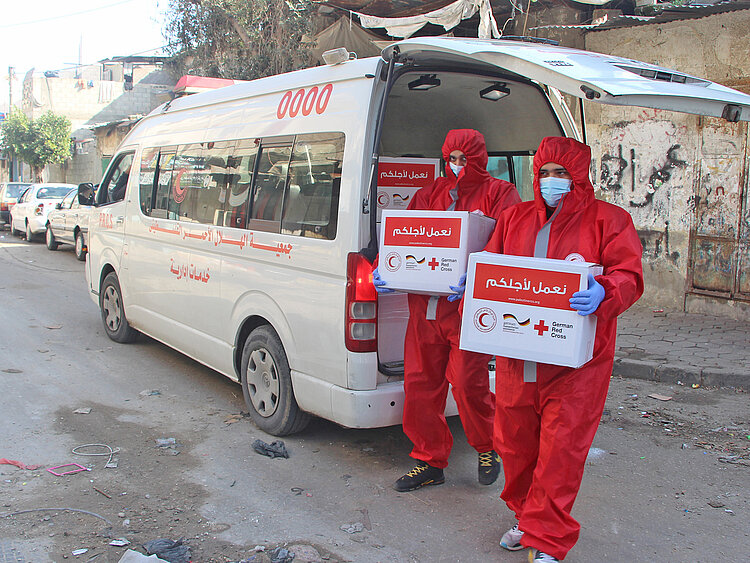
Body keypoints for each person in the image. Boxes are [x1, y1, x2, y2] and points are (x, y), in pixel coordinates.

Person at [484, 137, 644, 562]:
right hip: (519, 356)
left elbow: (628, 274)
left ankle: (547, 540)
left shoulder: (609, 221)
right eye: (545, 173)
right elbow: (492, 266)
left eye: (562, 173)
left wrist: (606, 291)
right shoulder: (515, 217)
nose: (552, 181)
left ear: (580, 175)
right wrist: (469, 286)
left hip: (578, 365)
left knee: (561, 453)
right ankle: (526, 517)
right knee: (514, 445)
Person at [374, 129, 521, 492]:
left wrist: (481, 274)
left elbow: (513, 245)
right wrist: (384, 267)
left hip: (467, 311)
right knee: (420, 385)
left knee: (469, 383)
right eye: (451, 159)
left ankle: (488, 448)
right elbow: (405, 236)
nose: (456, 167)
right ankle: (428, 459)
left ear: (479, 160)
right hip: (425, 309)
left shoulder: (500, 194)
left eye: (463, 160)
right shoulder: (429, 194)